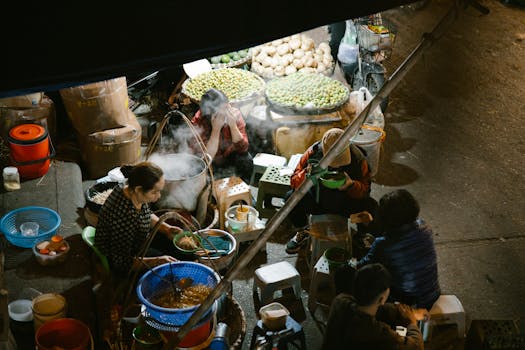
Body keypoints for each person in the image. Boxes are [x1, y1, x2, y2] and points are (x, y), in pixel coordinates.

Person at [285, 127, 378, 254]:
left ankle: (361, 235)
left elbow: (365, 190)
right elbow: (294, 182)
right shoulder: (313, 152)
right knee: (290, 199)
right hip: (318, 200)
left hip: (345, 202)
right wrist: (307, 174)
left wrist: (351, 185)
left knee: (371, 207)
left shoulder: (358, 158)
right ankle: (303, 231)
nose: (337, 166)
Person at [95, 162, 183, 279]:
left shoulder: (129, 189)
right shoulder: (123, 217)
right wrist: (157, 261)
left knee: (175, 245)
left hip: (137, 238)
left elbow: (145, 214)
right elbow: (122, 263)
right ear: (138, 189)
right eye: (154, 192)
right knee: (169, 269)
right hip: (122, 258)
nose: (159, 196)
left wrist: (166, 228)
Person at [358, 189, 441, 310]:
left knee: (371, 276)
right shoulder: (424, 227)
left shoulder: (383, 244)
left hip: (408, 302)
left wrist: (350, 262)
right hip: (432, 293)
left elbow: (362, 266)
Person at [322, 263, 427, 350]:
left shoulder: (340, 301)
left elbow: (380, 310)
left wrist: (406, 311)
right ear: (382, 299)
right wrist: (412, 323)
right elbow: (416, 347)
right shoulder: (380, 335)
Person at [190, 88, 253, 182]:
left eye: (227, 107)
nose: (227, 111)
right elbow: (206, 159)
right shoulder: (198, 122)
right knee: (198, 172)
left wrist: (233, 125)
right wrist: (216, 130)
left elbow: (243, 148)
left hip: (229, 157)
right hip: (211, 163)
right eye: (223, 110)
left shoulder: (233, 114)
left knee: (246, 160)